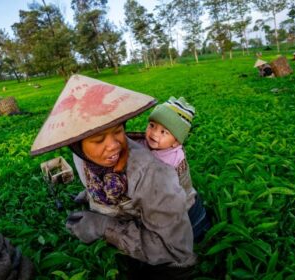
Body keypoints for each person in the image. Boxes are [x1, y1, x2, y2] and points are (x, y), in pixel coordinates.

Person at [31, 75, 197, 279]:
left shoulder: (152, 174)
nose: (113, 145)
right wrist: (92, 193)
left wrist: (104, 227)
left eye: (118, 131)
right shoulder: (81, 157)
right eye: (99, 140)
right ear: (76, 145)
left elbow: (176, 253)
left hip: (179, 223)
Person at [138, 96, 210, 242]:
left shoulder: (175, 159)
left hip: (182, 204)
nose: (154, 133)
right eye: (152, 125)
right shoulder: (146, 143)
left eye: (164, 132)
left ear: (176, 141)